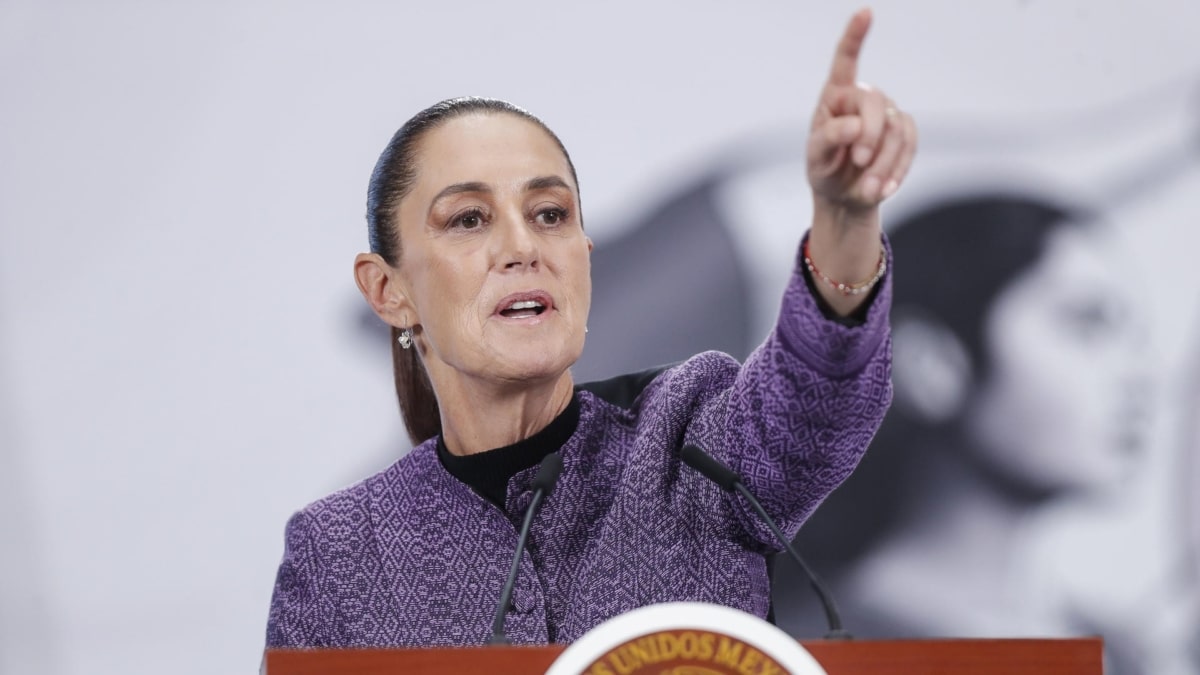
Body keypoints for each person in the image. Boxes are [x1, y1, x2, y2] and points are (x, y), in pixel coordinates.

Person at [266, 8, 915, 647]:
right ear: (389, 290)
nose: (523, 246)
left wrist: (844, 220)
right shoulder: (337, 556)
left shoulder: (691, 448)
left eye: (550, 213)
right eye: (468, 219)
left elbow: (819, 394)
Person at [785, 192, 1150, 642]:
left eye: (1132, 336)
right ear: (928, 363)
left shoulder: (1129, 652)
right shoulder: (802, 652)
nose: (1139, 375)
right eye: (1086, 325)